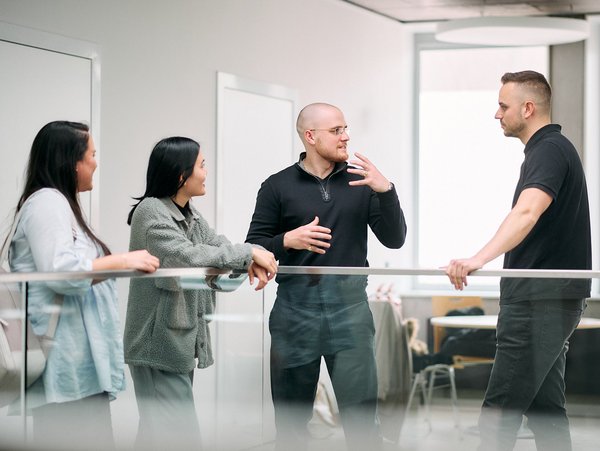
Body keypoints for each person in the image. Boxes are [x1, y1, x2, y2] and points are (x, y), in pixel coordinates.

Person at [245, 103, 407, 450]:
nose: (346, 136)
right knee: (290, 422)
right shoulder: (276, 186)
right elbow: (254, 246)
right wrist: (288, 239)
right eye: (337, 130)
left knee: (363, 421)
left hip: (350, 310)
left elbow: (395, 240)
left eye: (346, 128)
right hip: (294, 311)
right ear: (311, 136)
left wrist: (385, 189)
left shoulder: (361, 182)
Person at [444, 71, 591, 451]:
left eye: (503, 105)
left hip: (538, 301)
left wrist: (478, 258)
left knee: (498, 413)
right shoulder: (552, 150)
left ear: (528, 108)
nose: (497, 114)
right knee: (545, 409)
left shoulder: (549, 150)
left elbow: (527, 213)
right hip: (546, 298)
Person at [3, 121, 160, 450]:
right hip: (65, 368)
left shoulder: (60, 204)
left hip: (77, 369)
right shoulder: (47, 202)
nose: (96, 162)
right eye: (92, 154)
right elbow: (62, 273)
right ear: (71, 161)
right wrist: (122, 261)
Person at [124, 136, 277, 450]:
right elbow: (187, 255)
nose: (206, 172)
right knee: (178, 438)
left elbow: (216, 243)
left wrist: (250, 255)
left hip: (175, 342)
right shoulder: (151, 212)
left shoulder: (188, 214)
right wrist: (250, 253)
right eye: (202, 165)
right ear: (182, 174)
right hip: (156, 346)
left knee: (158, 436)